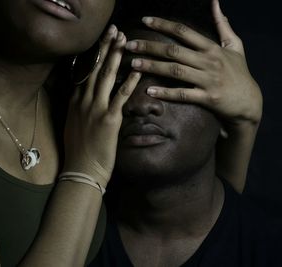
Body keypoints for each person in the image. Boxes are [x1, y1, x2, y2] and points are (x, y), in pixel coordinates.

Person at [0, 0, 260, 266]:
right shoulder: (89, 139)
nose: (144, 102)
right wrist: (86, 174)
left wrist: (245, 120)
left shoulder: (83, 115)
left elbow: (199, 214)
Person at [89, 0, 265, 266]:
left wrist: (246, 119)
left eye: (175, 80)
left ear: (225, 110)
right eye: (120, 79)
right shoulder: (74, 236)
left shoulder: (277, 252)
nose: (140, 103)